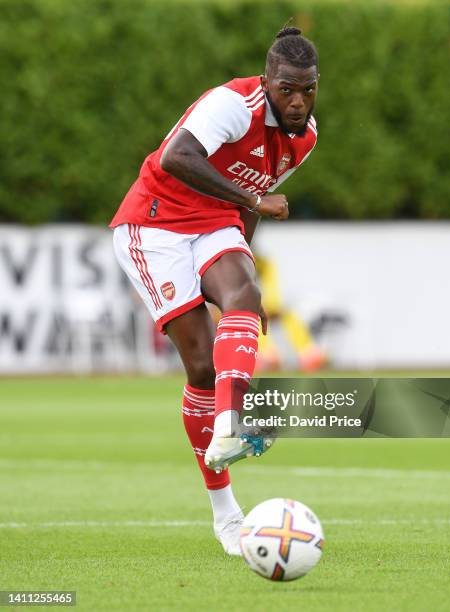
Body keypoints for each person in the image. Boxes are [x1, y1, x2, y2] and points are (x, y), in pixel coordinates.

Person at [110, 26, 319, 555]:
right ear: (269, 81)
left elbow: (255, 201)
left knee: (244, 296)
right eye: (288, 89)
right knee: (201, 366)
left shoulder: (305, 138)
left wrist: (246, 290)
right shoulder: (231, 102)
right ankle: (225, 514)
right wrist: (253, 203)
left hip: (215, 223)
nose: (297, 101)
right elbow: (174, 157)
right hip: (154, 225)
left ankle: (232, 420)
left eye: (309, 89)